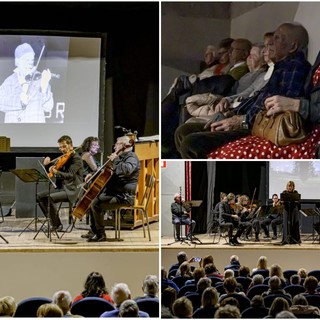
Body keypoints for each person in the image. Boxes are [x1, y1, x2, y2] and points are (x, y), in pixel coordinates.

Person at [175, 22, 311, 159]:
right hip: (245, 119)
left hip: (255, 127)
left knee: (191, 143)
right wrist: (230, 114)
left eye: (277, 38)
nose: (270, 44)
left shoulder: (295, 68)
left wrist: (241, 121)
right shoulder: (280, 67)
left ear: (293, 46)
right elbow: (255, 98)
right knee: (183, 131)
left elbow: (276, 108)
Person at [89, 135, 140, 242]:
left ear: (123, 145)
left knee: (95, 203)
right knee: (91, 199)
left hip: (124, 196)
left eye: (116, 144)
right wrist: (93, 174)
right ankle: (94, 231)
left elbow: (127, 170)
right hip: (115, 193)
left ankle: (100, 234)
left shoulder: (131, 157)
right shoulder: (121, 157)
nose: (114, 147)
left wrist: (115, 159)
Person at [37, 135, 83, 232]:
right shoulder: (63, 158)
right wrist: (48, 165)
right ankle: (53, 222)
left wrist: (56, 172)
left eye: (64, 146)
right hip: (62, 187)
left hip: (72, 190)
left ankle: (57, 226)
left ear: (71, 146)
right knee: (39, 196)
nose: (62, 149)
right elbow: (55, 171)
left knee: (49, 198)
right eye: (60, 147)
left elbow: (70, 175)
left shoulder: (76, 159)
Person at [0, 43, 54, 123]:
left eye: (31, 60)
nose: (30, 63)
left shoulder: (40, 79)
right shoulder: (9, 82)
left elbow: (48, 107)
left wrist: (44, 89)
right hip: (13, 131)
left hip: (35, 130)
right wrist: (19, 101)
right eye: (26, 60)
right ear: (17, 61)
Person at [79, 136, 101, 240]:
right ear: (88, 146)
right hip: (86, 184)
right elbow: (96, 169)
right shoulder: (87, 155)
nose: (97, 147)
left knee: (93, 207)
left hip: (88, 183)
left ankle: (93, 230)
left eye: (98, 145)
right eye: (94, 145)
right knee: (94, 205)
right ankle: (95, 231)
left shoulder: (89, 155)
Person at [281, 181, 301, 245]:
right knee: (286, 223)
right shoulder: (284, 193)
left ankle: (295, 239)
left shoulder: (295, 193)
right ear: (287, 186)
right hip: (286, 210)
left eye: (291, 186)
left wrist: (296, 201)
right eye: (288, 186)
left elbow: (298, 202)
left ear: (293, 187)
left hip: (294, 210)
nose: (289, 187)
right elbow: (282, 202)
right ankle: (286, 239)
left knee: (294, 223)